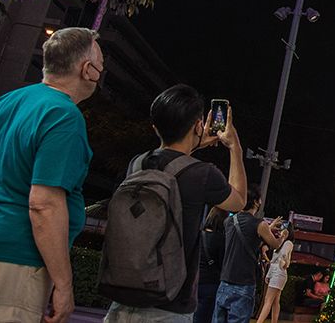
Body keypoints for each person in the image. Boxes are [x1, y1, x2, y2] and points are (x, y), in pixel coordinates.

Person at [0, 27, 99, 323]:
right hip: (14, 263)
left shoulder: (4, 103)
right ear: (87, 70)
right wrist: (64, 284)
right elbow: (44, 204)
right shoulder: (64, 115)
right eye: (100, 65)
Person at [104, 84, 248, 322]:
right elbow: (239, 201)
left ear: (155, 127)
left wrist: (194, 142)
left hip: (123, 296)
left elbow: (172, 164)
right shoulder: (203, 174)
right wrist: (235, 147)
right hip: (169, 305)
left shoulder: (138, 163)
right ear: (198, 125)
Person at [213, 187, 287, 323]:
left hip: (224, 282)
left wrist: (268, 228)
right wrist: (283, 236)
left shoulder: (229, 221)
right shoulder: (259, 224)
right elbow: (275, 244)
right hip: (244, 284)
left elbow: (247, 238)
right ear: (256, 202)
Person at [194, 208, 228, 323]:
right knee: (204, 317)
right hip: (211, 284)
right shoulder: (220, 239)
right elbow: (223, 263)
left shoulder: (198, 234)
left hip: (195, 280)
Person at [255, 227, 295, 323]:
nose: (280, 233)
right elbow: (273, 261)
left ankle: (259, 321)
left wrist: (284, 261)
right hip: (275, 272)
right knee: (275, 300)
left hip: (279, 272)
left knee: (268, 300)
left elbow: (284, 256)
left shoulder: (288, 243)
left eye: (283, 232)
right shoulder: (279, 244)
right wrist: (269, 275)